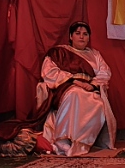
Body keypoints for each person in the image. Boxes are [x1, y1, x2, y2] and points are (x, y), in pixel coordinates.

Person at [38, 22, 117, 156]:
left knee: (98, 104)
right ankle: (62, 139)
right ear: (70, 36)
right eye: (78, 33)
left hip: (89, 88)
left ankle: (80, 143)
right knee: (75, 94)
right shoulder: (59, 52)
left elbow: (104, 72)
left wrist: (92, 85)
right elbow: (49, 72)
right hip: (67, 86)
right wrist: (73, 81)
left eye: (85, 34)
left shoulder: (95, 55)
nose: (81, 37)